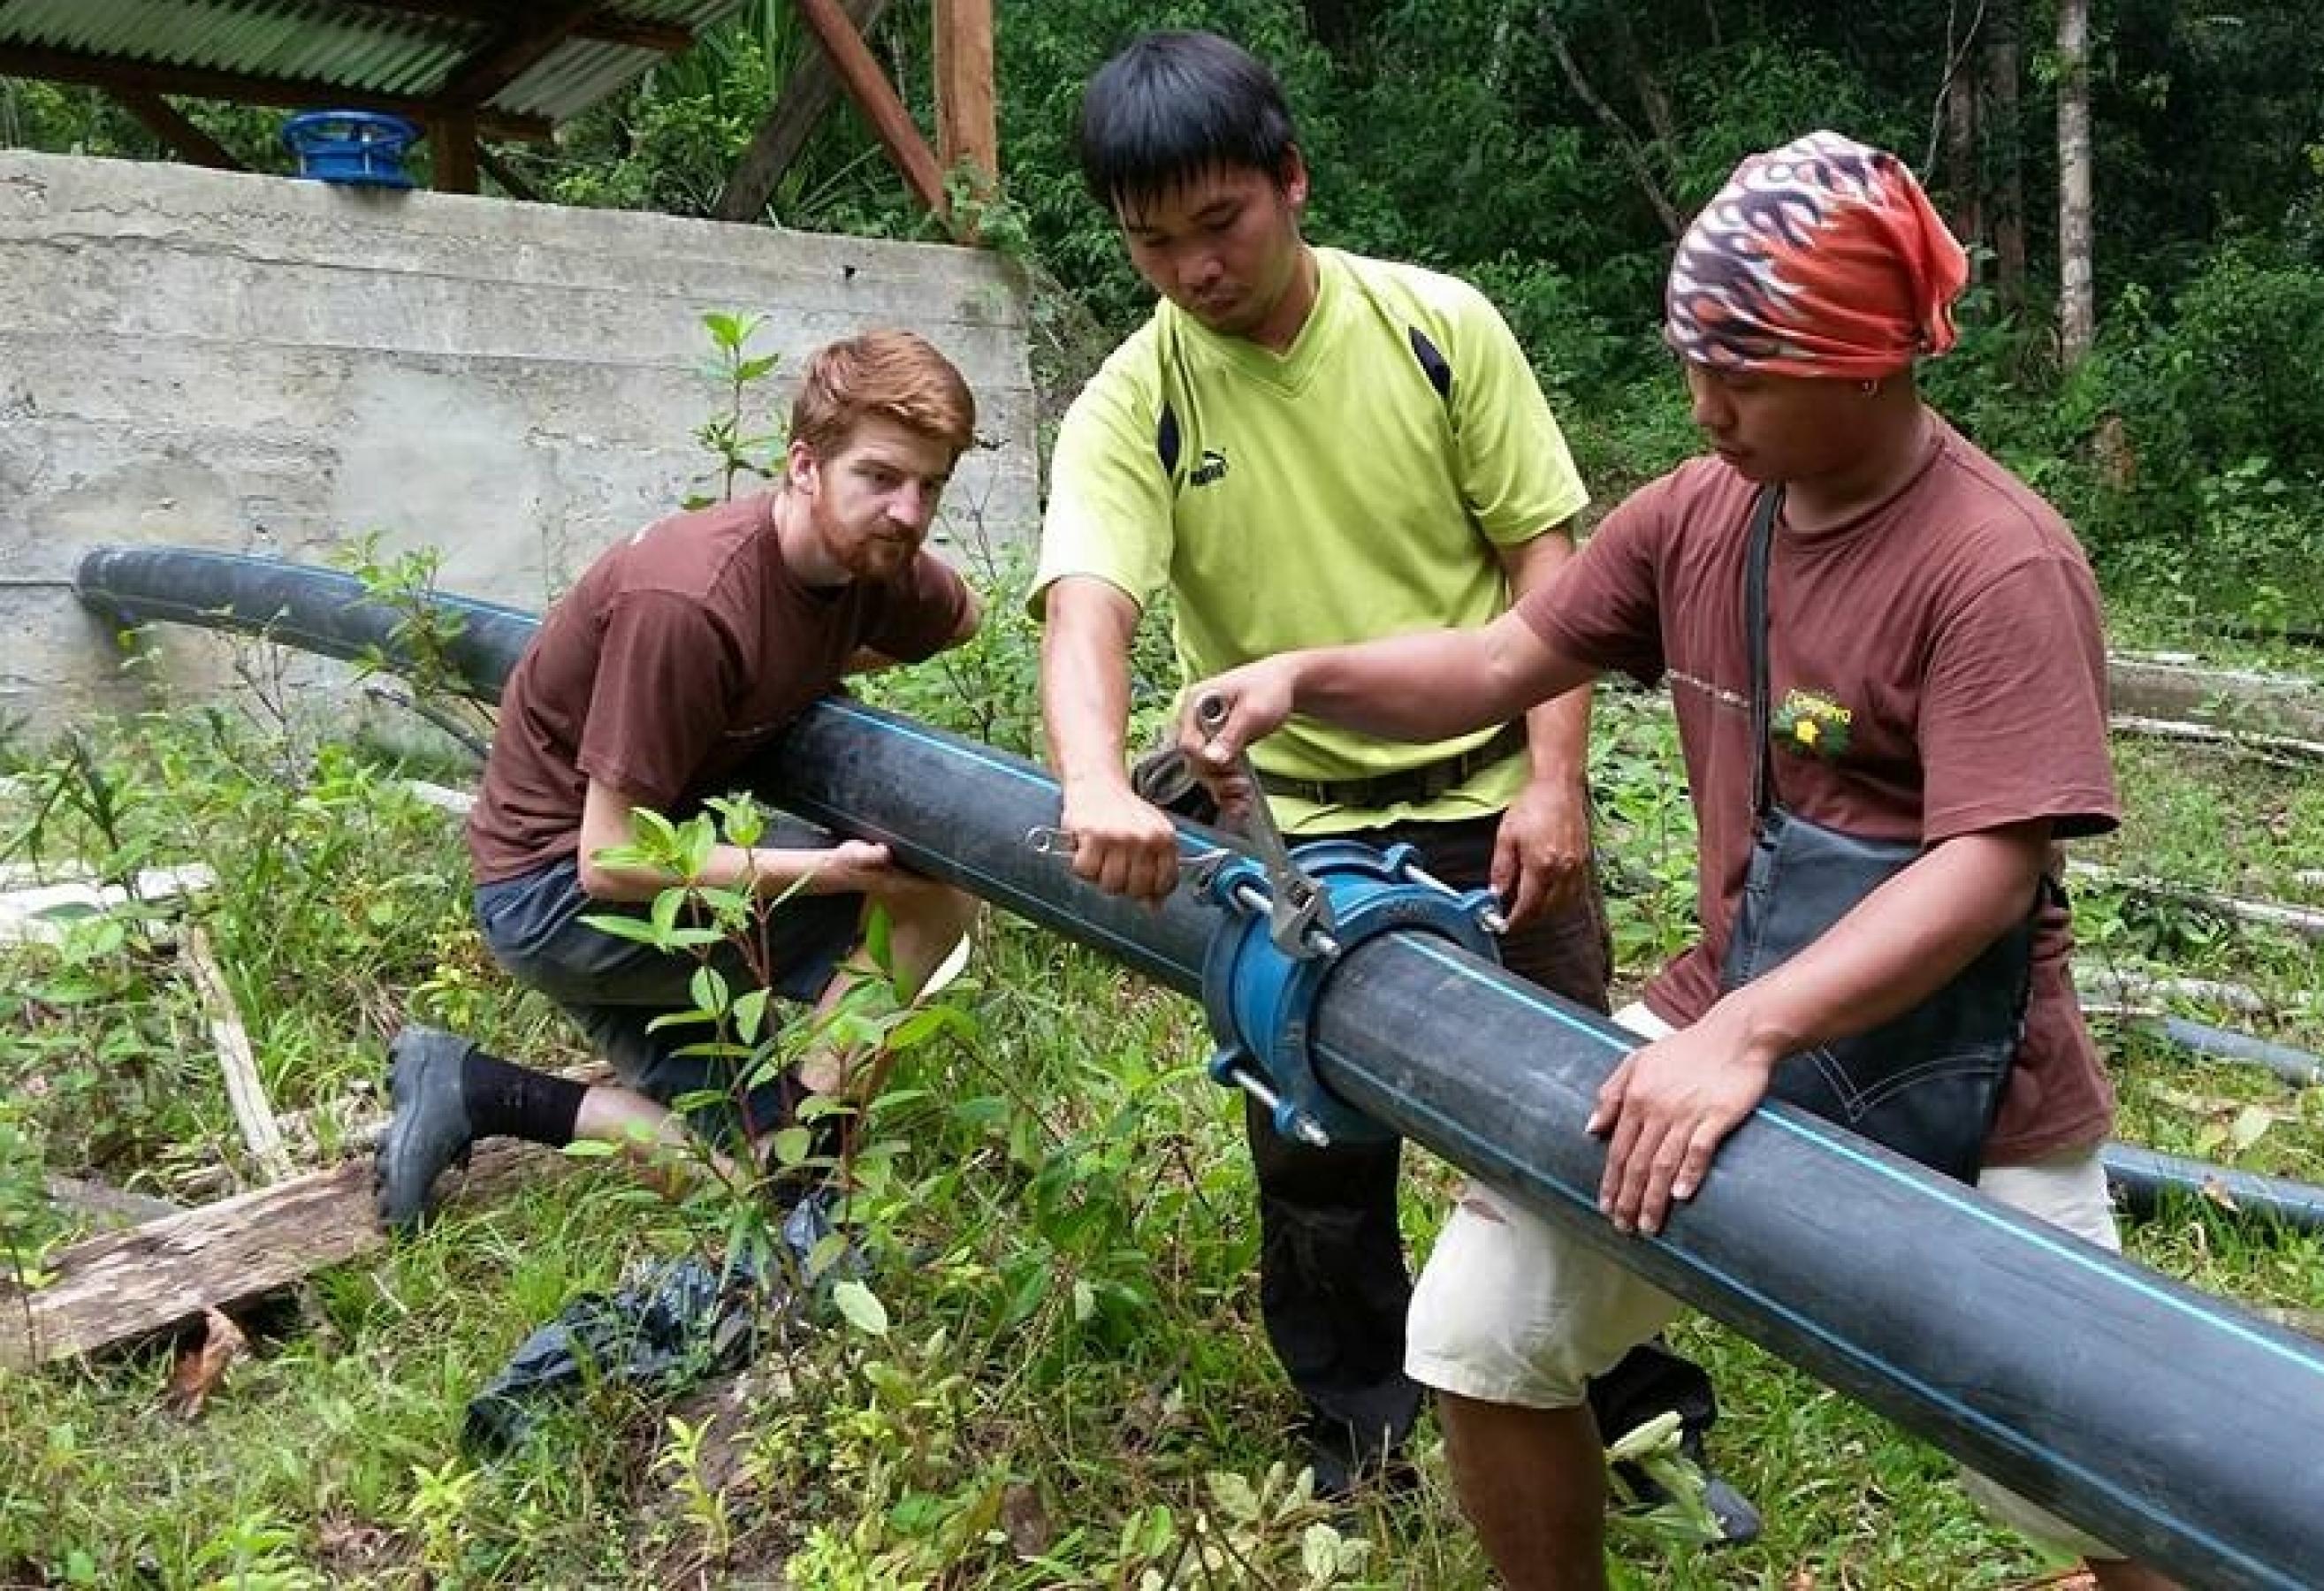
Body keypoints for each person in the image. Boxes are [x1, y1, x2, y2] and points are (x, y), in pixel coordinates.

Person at [1181, 134, 2176, 1590]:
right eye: (1691, 361)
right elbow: (1501, 658)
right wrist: (1299, 678)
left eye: (1744, 373)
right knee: (1484, 1326)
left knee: (2112, 1472)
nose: (1704, 405)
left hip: (1970, 1075)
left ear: (1868, 362)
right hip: (1732, 998)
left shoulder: (1997, 565)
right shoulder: (1701, 515)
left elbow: (1989, 869)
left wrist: (1749, 1036)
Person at [1030, 29, 1746, 1527]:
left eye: (1218, 225)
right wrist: (1097, 779)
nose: (1192, 271)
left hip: (1493, 785)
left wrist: (1559, 787)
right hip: (1293, 833)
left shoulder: (1436, 327)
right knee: (1312, 1143)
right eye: (1151, 243)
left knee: (1576, 1113)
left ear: (1292, 181)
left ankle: (1632, 1409)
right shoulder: (1134, 400)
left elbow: (1540, 559)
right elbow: (1087, 597)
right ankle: (1359, 1434)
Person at [375, 329, 985, 1232]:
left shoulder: (869, 561)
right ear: (803, 466)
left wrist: (811, 666)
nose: (907, 511)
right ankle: (815, 1149)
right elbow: (610, 862)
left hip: (624, 890)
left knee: (742, 1178)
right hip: (555, 899)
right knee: (930, 901)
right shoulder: (692, 603)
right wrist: (833, 871)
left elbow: (963, 617)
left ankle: (477, 1088)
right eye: (879, 477)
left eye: (929, 486)